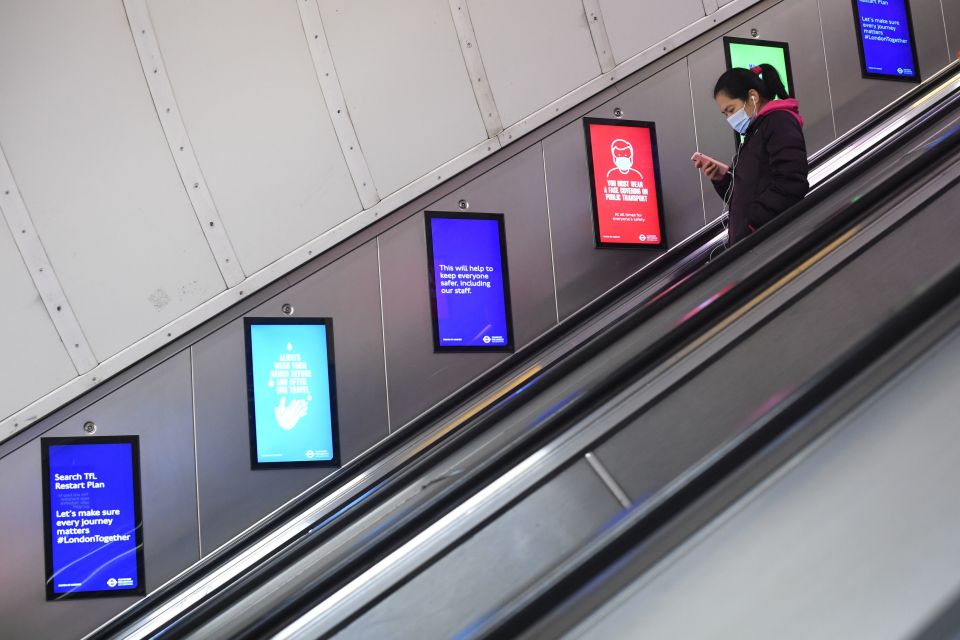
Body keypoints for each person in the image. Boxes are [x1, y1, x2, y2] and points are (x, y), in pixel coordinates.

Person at [691, 64, 809, 245]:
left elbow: (791, 182)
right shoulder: (755, 132)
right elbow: (745, 196)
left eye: (730, 110)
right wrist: (721, 178)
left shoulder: (779, 122)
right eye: (725, 114)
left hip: (766, 243)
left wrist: (752, 224)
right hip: (752, 241)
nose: (729, 118)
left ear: (752, 96)